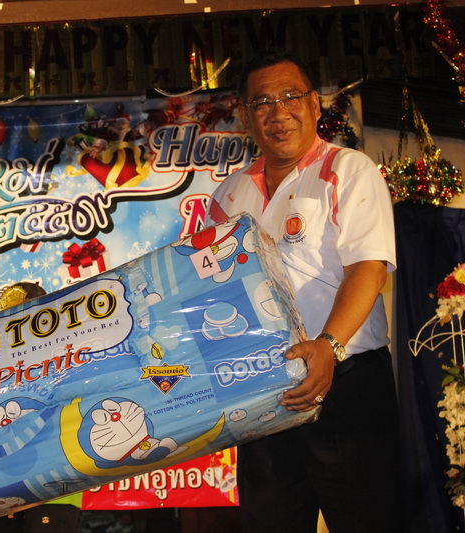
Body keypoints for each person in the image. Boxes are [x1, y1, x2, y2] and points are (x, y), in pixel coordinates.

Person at [206, 49, 400, 533]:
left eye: (291, 96)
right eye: (262, 102)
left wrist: (329, 346)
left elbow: (368, 269)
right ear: (246, 116)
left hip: (347, 380)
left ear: (315, 104)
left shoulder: (348, 170)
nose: (278, 112)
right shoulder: (227, 195)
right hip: (262, 392)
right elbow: (211, 290)